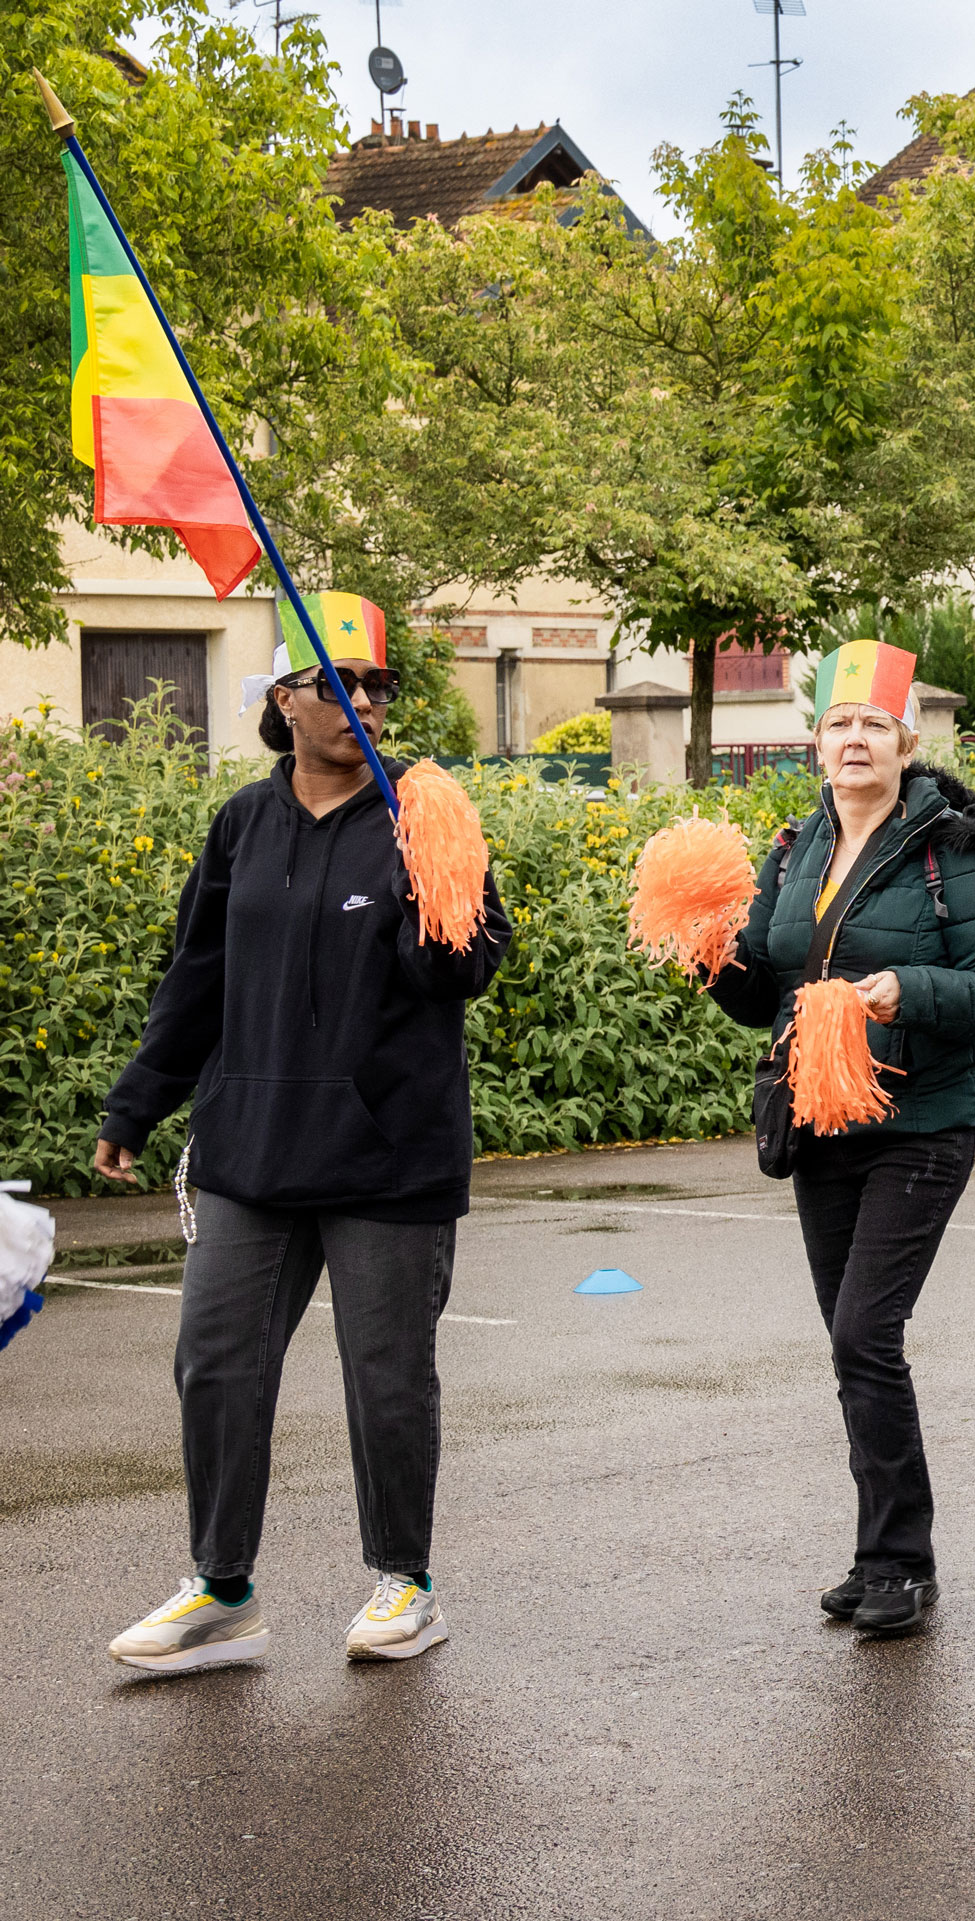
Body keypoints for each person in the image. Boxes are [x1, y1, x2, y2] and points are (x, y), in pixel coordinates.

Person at [97, 618, 511, 1674]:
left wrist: (440, 899)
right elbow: (196, 981)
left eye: (378, 684)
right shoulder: (242, 824)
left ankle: (405, 1583)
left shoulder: (425, 814)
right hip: (252, 1147)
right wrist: (138, 1105)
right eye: (339, 684)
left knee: (386, 1378)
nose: (366, 702)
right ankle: (223, 1590)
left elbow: (463, 971)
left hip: (389, 1154)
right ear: (287, 701)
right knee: (216, 1365)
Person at [706, 639, 975, 1641]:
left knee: (864, 1334)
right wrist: (708, 953)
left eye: (873, 727)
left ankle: (904, 1561)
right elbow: (764, 990)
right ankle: (875, 1550)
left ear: (905, 743)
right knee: (853, 1350)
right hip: (821, 1118)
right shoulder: (794, 847)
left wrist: (907, 990)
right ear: (817, 743)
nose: (855, 741)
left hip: (922, 1123)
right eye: (839, 724)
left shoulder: (950, 852)